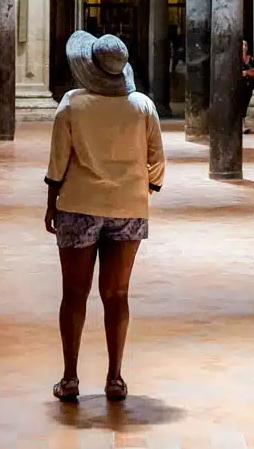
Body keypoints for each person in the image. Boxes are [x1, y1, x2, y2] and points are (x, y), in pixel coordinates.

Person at [45, 31, 165, 404]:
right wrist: (148, 188)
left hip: (78, 205)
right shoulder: (142, 106)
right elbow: (156, 159)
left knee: (74, 295)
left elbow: (58, 162)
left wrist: (52, 203)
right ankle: (115, 378)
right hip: (128, 207)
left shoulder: (71, 104)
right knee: (117, 294)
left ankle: (70, 378)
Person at [241, 39, 254, 134]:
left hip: (249, 85)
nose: (244, 47)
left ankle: (243, 125)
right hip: (239, 86)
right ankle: (242, 125)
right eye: (242, 45)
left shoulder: (250, 59)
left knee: (245, 105)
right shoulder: (235, 59)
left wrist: (246, 72)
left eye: (246, 45)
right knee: (240, 104)